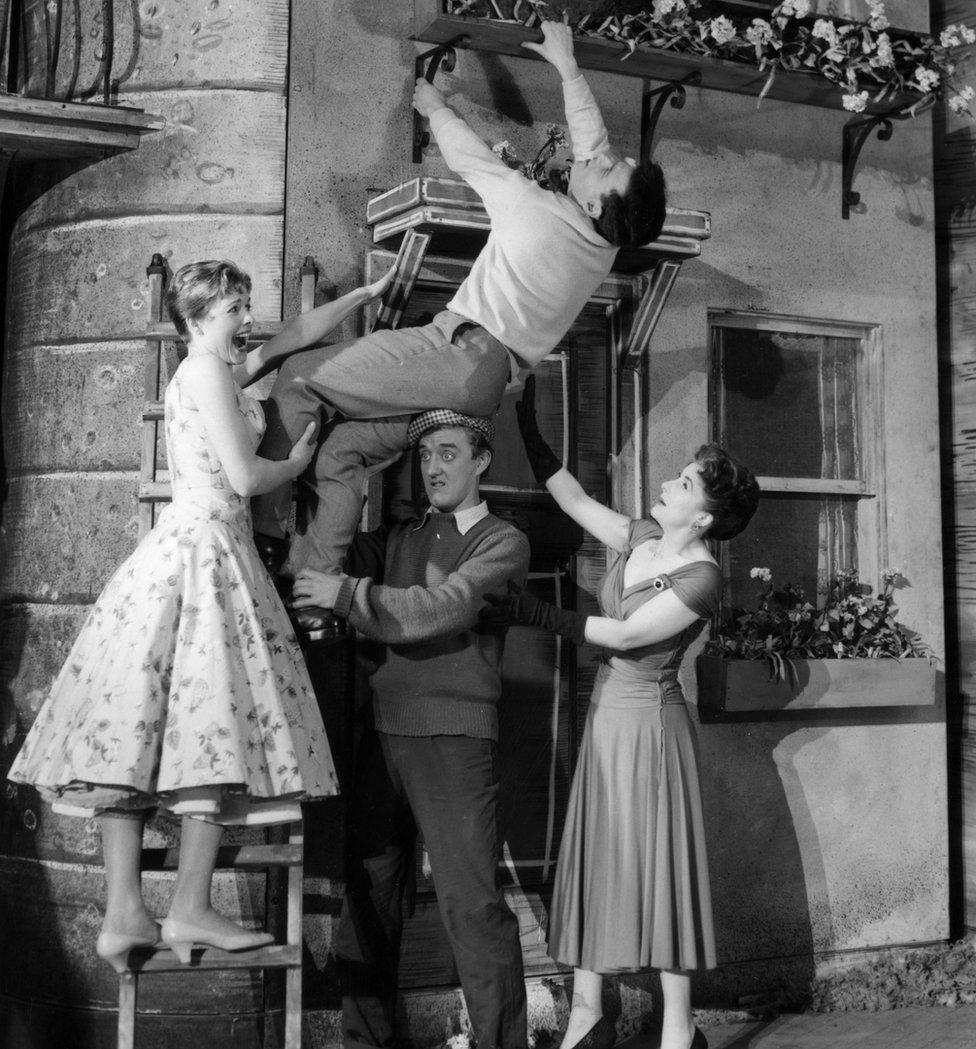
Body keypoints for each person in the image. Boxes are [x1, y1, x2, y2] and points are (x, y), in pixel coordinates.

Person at [5, 258, 393, 973]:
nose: (247, 319)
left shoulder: (218, 367)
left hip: (201, 549)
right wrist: (299, 460)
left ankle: (130, 913)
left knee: (153, 722)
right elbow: (246, 477)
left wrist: (363, 297)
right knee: (210, 714)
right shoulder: (207, 372)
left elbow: (291, 336)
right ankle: (187, 905)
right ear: (199, 316)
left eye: (245, 305)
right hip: (206, 552)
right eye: (234, 309)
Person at [252, 19, 667, 632]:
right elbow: (593, 146)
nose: (603, 155)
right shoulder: (602, 244)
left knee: (297, 374)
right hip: (482, 391)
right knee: (340, 451)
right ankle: (315, 600)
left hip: (456, 355)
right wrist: (567, 66)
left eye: (607, 166)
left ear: (595, 201)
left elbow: (471, 157)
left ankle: (261, 535)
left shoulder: (534, 210)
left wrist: (433, 104)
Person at [482, 378, 760, 1049]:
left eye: (687, 481)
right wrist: (527, 422)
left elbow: (630, 637)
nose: (670, 479)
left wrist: (533, 611)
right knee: (598, 857)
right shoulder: (639, 537)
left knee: (659, 865)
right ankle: (587, 1012)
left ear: (704, 517)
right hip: (607, 719)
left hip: (652, 730)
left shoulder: (702, 577)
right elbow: (573, 500)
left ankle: (674, 1029)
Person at [289, 408, 531, 1049]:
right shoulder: (398, 537)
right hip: (382, 736)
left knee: (471, 904)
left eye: (449, 453)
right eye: (425, 456)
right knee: (366, 896)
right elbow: (320, 556)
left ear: (482, 460)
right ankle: (365, 1043)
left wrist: (345, 596)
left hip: (454, 742)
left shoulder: (501, 541)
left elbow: (442, 607)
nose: (433, 469)